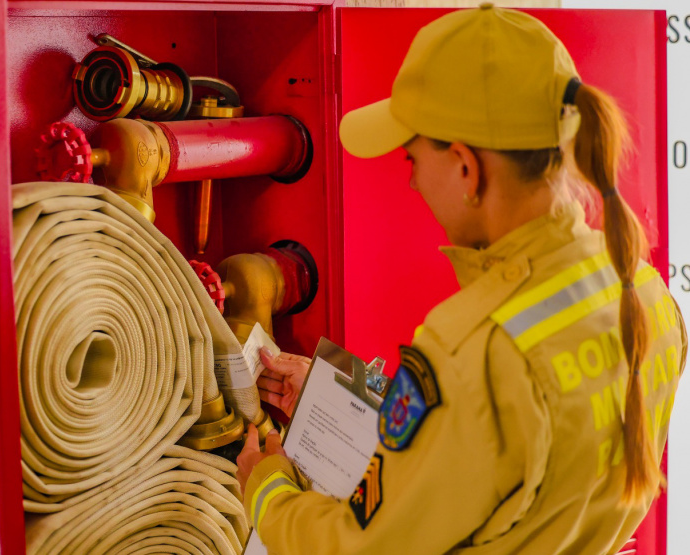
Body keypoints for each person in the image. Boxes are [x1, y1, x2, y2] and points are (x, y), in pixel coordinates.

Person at [235, 4, 686, 554]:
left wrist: (267, 488)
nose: (414, 183)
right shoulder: (646, 293)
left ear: (466, 169)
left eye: (412, 160)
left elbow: (360, 548)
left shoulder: (471, 350)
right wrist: (340, 389)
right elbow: (493, 459)